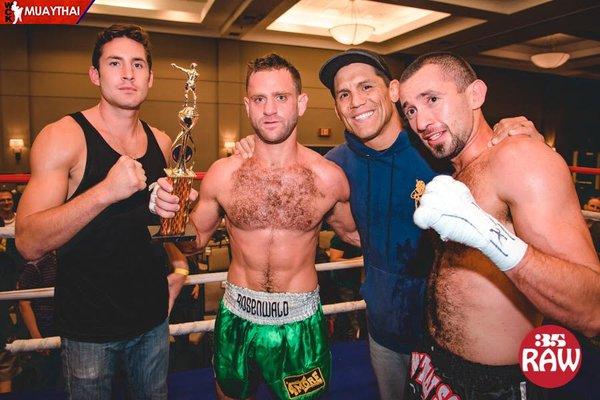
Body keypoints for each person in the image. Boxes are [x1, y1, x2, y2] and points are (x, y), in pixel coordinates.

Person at [236, 48, 543, 400]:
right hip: (382, 331)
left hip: (447, 337)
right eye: (344, 94)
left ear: (393, 91)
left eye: (367, 87)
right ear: (337, 107)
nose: (356, 101)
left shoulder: (436, 145)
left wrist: (513, 132)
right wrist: (251, 147)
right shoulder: (337, 164)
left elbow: (485, 152)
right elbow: (338, 219)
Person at [152, 53, 359, 400]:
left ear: (301, 103)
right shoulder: (224, 173)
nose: (270, 109)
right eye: (260, 99)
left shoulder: (328, 178)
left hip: (300, 323)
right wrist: (170, 213)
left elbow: (356, 236)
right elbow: (195, 242)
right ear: (248, 106)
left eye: (281, 97)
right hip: (237, 317)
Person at [398, 52, 600, 399]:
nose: (421, 121)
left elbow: (593, 308)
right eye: (411, 111)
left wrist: (490, 236)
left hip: (497, 385)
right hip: (437, 366)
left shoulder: (518, 158)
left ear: (475, 94)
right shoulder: (455, 171)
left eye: (432, 99)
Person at [15, 24, 188, 399]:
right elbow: (28, 242)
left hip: (152, 319)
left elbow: (160, 231)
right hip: (88, 329)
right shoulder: (64, 136)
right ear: (95, 74)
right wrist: (105, 192)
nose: (128, 74)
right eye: (115, 63)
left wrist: (179, 255)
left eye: (138, 65)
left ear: (151, 78)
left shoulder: (161, 141)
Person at [18, 252, 62, 389]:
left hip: (64, 327)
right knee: (47, 380)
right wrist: (37, 338)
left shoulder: (60, 259)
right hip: (44, 329)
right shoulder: (35, 265)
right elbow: (24, 303)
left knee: (63, 378)